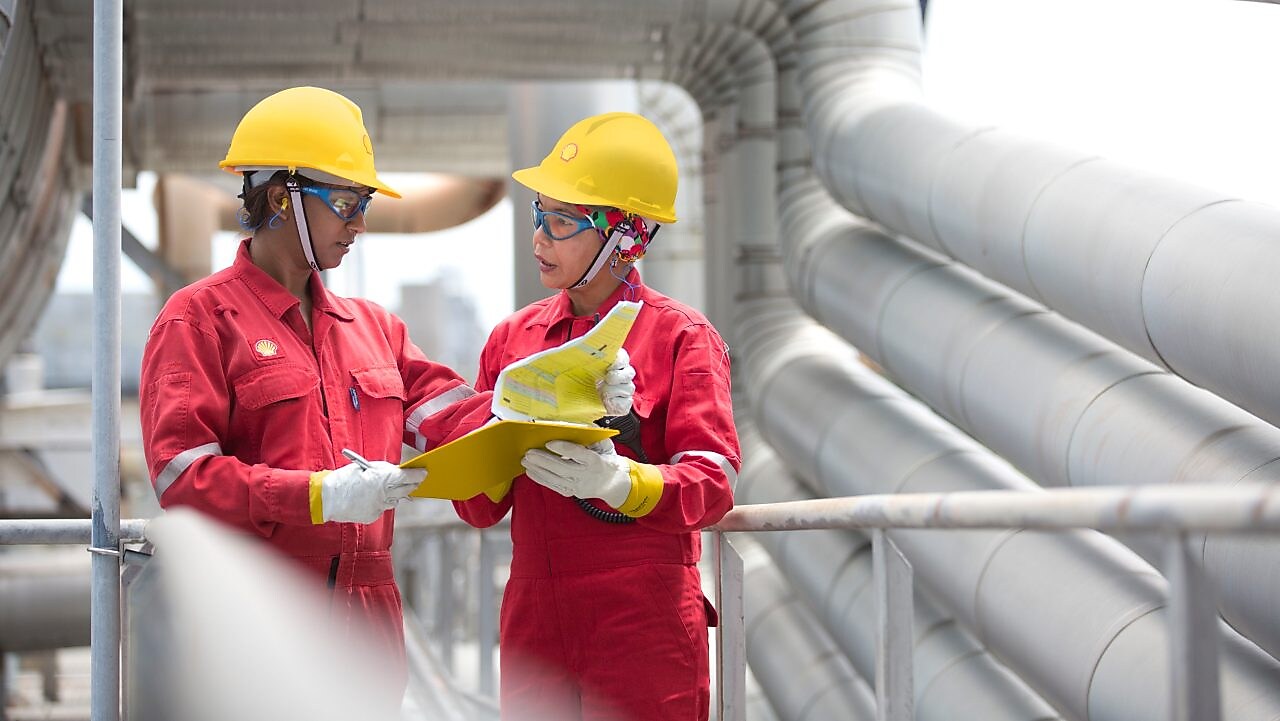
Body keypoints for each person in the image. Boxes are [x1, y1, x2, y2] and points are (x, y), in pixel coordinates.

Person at [137, 86, 503, 703]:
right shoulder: (198, 320)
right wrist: (317, 495)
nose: (360, 223)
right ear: (281, 197)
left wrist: (542, 400)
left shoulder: (375, 329)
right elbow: (182, 479)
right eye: (346, 202)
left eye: (362, 203)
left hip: (370, 625)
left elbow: (452, 418)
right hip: (261, 620)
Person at [454, 111, 740, 721]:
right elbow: (478, 509)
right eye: (538, 215)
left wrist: (621, 483)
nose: (539, 239)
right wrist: (487, 452)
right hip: (536, 616)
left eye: (561, 222)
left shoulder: (681, 337)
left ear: (627, 236)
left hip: (643, 616)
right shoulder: (512, 340)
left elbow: (713, 484)